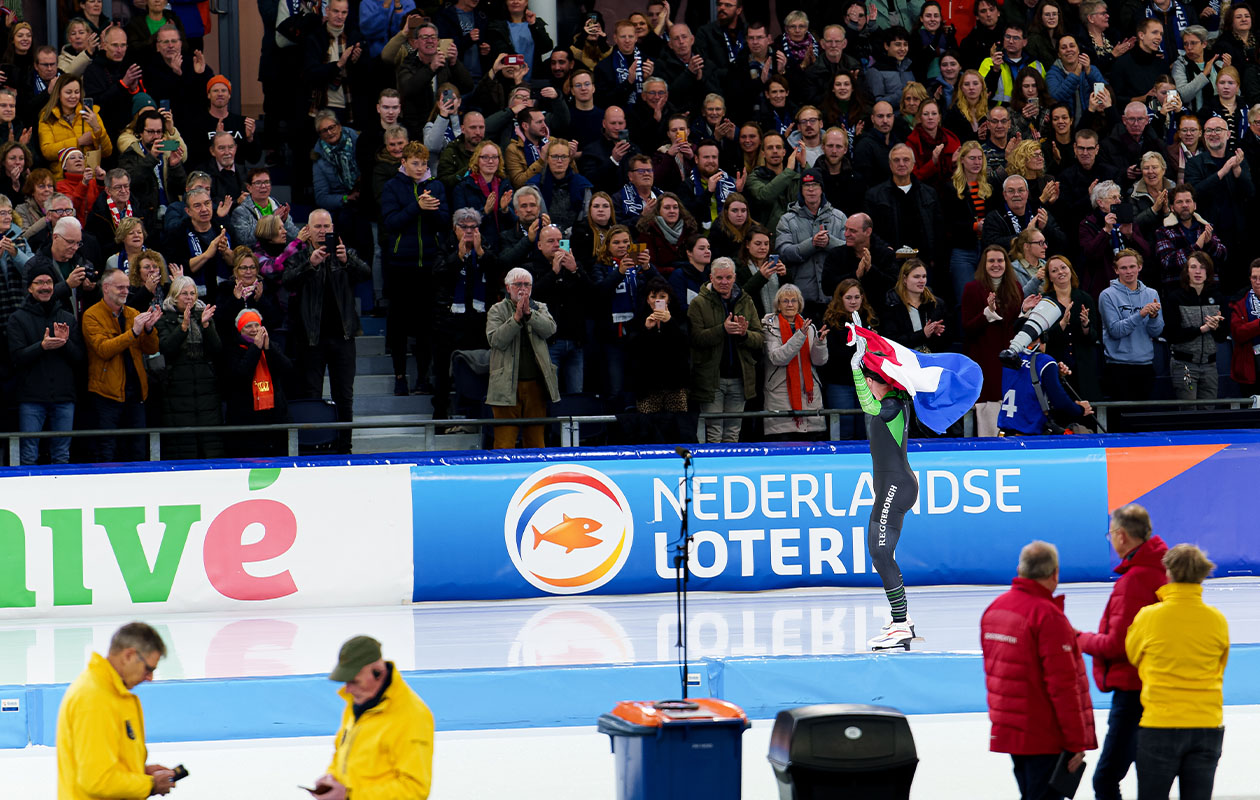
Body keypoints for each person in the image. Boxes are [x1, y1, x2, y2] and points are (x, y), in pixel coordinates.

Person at [982, 541, 1097, 799]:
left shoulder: (995, 609)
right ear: (1055, 573)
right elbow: (1063, 687)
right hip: (1045, 737)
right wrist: (1077, 743)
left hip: (1012, 732)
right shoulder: (1048, 617)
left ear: (1019, 569)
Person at [1070, 504, 1170, 800]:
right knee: (1149, 781)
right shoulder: (1160, 571)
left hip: (1132, 692)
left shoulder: (1135, 580)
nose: (1111, 540)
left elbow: (1119, 645)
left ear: (1122, 536)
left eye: (1111, 533)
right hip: (1157, 689)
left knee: (1105, 779)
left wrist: (1079, 638)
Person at [1126, 544, 1229, 800]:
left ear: (1168, 572)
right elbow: (1220, 664)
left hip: (1160, 724)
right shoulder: (1217, 619)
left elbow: (1133, 656)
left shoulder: (1148, 617)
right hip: (1206, 724)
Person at [848, 324, 918, 649]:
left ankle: (901, 624)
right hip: (894, 485)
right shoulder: (893, 402)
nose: (868, 386)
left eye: (870, 380)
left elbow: (870, 405)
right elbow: (869, 402)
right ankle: (901, 619)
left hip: (896, 486)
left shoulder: (892, 406)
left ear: (880, 380)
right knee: (880, 551)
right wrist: (861, 360)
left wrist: (858, 365)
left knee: (879, 551)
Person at [282, 209, 371, 455]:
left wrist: (347, 261)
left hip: (343, 337)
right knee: (311, 394)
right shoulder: (299, 255)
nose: (323, 231)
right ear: (308, 230)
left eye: (326, 226)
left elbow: (365, 273)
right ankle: (314, 446)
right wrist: (310, 265)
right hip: (311, 339)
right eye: (318, 227)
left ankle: (345, 446)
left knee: (344, 395)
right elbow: (286, 280)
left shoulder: (345, 251)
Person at [56, 622, 176, 800]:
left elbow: (105, 765)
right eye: (148, 669)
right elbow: (97, 780)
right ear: (128, 655)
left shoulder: (110, 694)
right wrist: (149, 785)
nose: (149, 678)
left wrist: (139, 772)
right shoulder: (94, 699)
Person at [311, 635, 434, 800]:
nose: (347, 690)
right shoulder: (357, 702)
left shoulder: (412, 716)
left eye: (354, 681)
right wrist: (331, 780)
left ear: (378, 673)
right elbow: (342, 754)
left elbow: (415, 790)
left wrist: (351, 796)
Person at [380, 142, 449, 395]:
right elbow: (391, 223)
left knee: (426, 327)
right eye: (415, 163)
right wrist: (416, 207)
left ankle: (422, 378)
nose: (420, 168)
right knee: (398, 324)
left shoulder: (437, 186)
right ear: (404, 162)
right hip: (400, 266)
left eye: (424, 163)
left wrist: (429, 210)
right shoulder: (392, 187)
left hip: (429, 266)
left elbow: (444, 221)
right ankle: (400, 377)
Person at [8, 261, 83, 466]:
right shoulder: (17, 319)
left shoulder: (67, 317)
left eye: (49, 281)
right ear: (29, 287)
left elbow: (79, 358)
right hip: (31, 398)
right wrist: (42, 346)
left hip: (64, 397)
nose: (45, 286)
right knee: (29, 455)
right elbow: (16, 358)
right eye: (39, 282)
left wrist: (64, 343)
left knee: (62, 456)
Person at [82, 266, 160, 462]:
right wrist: (133, 332)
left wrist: (149, 330)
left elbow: (150, 349)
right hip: (107, 393)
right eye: (120, 287)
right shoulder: (92, 315)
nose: (126, 291)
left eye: (127, 287)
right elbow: (103, 349)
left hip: (135, 392)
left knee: (138, 448)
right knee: (107, 449)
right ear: (106, 288)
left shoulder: (133, 312)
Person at [688, 257, 763, 443]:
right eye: (720, 278)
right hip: (711, 378)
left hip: (740, 377)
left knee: (732, 433)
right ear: (711, 278)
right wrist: (722, 330)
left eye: (728, 277)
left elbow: (760, 339)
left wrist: (745, 334)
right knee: (713, 433)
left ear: (735, 277)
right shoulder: (698, 303)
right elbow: (694, 338)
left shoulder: (746, 301)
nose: (724, 282)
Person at [486, 267, 560, 449]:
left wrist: (529, 314)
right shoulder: (497, 310)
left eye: (527, 285)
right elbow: (496, 340)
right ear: (508, 287)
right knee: (504, 441)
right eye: (518, 284)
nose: (523, 289)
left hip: (536, 384)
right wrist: (516, 318)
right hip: (505, 386)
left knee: (536, 441)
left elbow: (550, 330)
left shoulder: (539, 307)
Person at [155, 275, 222, 459]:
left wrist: (207, 326)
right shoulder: (164, 319)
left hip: (205, 389)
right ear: (174, 296)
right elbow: (167, 349)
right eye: (184, 293)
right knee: (183, 447)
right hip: (177, 390)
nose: (189, 297)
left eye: (192, 293)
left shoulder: (203, 315)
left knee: (210, 446)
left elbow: (216, 349)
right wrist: (183, 327)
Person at [996, 314, 1092, 435]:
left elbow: (1025, 383)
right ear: (1040, 337)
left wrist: (1055, 375)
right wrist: (1080, 409)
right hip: (1030, 435)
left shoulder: (1008, 359)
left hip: (1005, 433)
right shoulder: (1045, 361)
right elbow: (1059, 401)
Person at [775, 169, 847, 321]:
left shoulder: (839, 217)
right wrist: (811, 244)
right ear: (801, 190)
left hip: (834, 298)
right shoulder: (787, 220)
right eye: (807, 186)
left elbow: (849, 250)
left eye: (815, 185)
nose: (811, 189)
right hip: (801, 300)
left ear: (822, 188)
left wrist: (829, 242)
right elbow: (783, 252)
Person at [762, 283, 829, 440]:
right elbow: (778, 358)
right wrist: (800, 335)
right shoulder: (769, 327)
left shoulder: (809, 327)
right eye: (785, 301)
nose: (790, 304)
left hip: (810, 396)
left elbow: (819, 362)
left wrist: (820, 343)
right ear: (778, 305)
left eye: (794, 301)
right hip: (780, 395)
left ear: (800, 304)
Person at [1100, 249, 1165, 400]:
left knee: (1143, 418)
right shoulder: (1107, 295)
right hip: (1118, 366)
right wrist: (1141, 314)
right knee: (1121, 419)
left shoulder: (1152, 294)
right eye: (1123, 268)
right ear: (1116, 270)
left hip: (1145, 365)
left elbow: (1156, 332)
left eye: (1132, 267)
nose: (1128, 271)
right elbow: (1115, 330)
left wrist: (1154, 317)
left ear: (1139, 267)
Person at [1161, 252, 1227, 400]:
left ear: (1209, 272)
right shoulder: (1175, 298)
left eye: (1203, 268)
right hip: (1185, 366)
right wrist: (1202, 329)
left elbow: (1223, 336)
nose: (1198, 271)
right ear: (1186, 270)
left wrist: (1216, 327)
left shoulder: (1217, 297)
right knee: (1188, 410)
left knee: (1208, 410)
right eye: (1193, 267)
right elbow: (1172, 335)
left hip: (1210, 365)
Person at [626, 276, 690, 415]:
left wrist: (670, 322)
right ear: (647, 299)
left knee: (677, 426)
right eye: (653, 296)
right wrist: (646, 329)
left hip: (675, 384)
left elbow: (685, 345)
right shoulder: (638, 321)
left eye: (662, 296)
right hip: (648, 385)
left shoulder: (679, 318)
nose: (657, 300)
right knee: (650, 428)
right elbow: (633, 350)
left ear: (669, 299)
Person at [1154, 184, 1227, 286]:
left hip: (1208, 286)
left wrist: (1210, 243)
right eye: (1179, 202)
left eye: (1188, 201)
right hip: (1177, 287)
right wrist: (1196, 246)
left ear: (1195, 205)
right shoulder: (1164, 230)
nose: (1184, 205)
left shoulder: (1206, 227)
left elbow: (1223, 255)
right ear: (1172, 207)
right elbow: (1167, 262)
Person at [1229, 259, 1260, 396]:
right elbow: (1238, 333)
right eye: (1254, 277)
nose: (1258, 282)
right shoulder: (1240, 302)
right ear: (1250, 279)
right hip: (1251, 366)